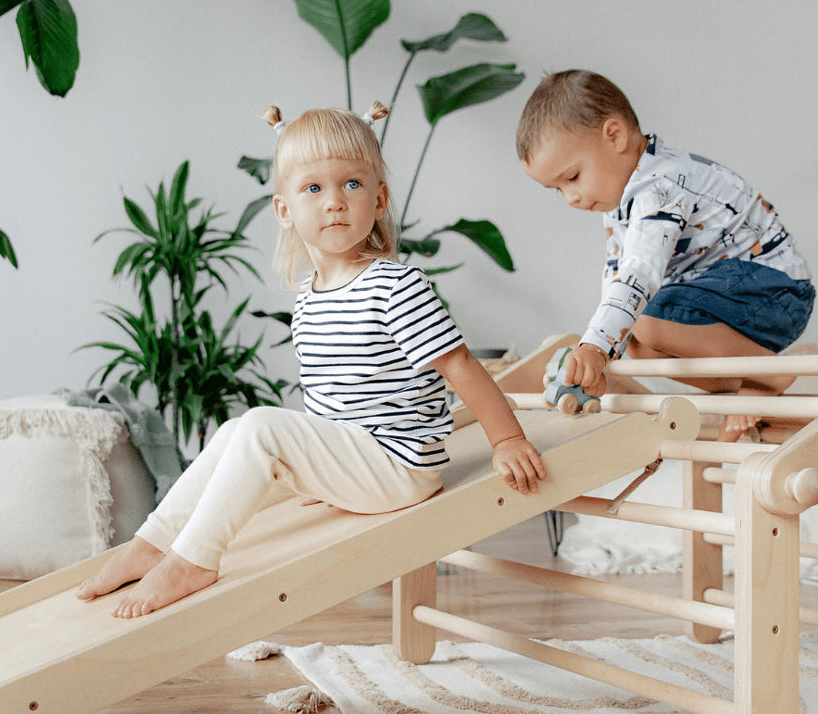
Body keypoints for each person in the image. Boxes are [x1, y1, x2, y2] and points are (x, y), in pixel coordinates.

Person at [77, 102, 545, 618]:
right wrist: (326, 472)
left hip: (399, 467)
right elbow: (330, 397)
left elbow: (461, 367)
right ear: (285, 210)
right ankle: (152, 543)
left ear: (379, 198)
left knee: (259, 426)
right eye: (314, 189)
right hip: (360, 462)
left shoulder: (395, 285)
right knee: (236, 433)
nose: (335, 203)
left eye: (351, 185)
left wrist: (507, 439)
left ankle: (195, 560)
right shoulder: (309, 296)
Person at [516, 69, 814, 442]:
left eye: (572, 177)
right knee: (638, 344)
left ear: (614, 136)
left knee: (647, 321)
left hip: (774, 291)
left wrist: (595, 346)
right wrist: (604, 352)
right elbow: (618, 279)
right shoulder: (622, 202)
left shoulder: (662, 186)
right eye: (555, 189)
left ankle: (766, 377)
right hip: (726, 298)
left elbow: (639, 275)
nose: (571, 198)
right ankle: (737, 386)